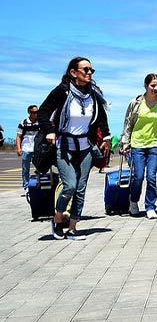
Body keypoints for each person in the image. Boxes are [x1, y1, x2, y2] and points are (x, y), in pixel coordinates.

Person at [38, 57, 111, 240]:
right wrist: (49, 131)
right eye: (85, 69)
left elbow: (101, 117)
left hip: (85, 147)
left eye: (91, 70)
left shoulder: (93, 94)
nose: (89, 73)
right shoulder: (62, 92)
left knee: (80, 188)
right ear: (73, 72)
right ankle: (58, 218)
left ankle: (72, 229)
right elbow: (43, 111)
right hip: (64, 146)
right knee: (69, 185)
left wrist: (107, 137)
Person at [122, 73, 157, 219]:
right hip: (137, 143)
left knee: (151, 176)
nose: (155, 88)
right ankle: (133, 201)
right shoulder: (136, 103)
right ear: (145, 86)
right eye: (152, 85)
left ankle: (150, 206)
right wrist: (126, 143)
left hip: (155, 144)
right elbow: (128, 123)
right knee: (138, 176)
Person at [16, 105, 40, 194]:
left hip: (37, 149)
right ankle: (26, 186)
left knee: (40, 168)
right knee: (25, 168)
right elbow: (18, 136)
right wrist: (18, 148)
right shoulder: (23, 123)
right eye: (34, 112)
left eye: (37, 112)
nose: (36, 114)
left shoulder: (40, 122)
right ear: (29, 113)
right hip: (26, 148)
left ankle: (38, 184)